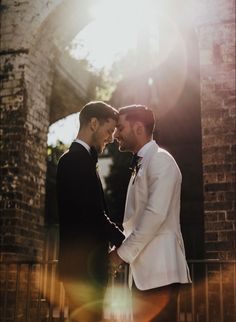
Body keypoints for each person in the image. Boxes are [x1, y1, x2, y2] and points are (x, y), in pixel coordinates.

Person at [110, 105, 191, 322]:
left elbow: (155, 215)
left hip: (160, 273)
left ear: (138, 128)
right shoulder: (143, 162)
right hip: (144, 275)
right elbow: (134, 221)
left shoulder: (161, 160)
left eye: (120, 128)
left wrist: (120, 255)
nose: (116, 134)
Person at [56, 101, 125, 322]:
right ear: (93, 123)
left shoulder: (82, 160)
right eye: (109, 130)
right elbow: (91, 213)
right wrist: (122, 239)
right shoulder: (74, 160)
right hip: (82, 271)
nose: (111, 138)